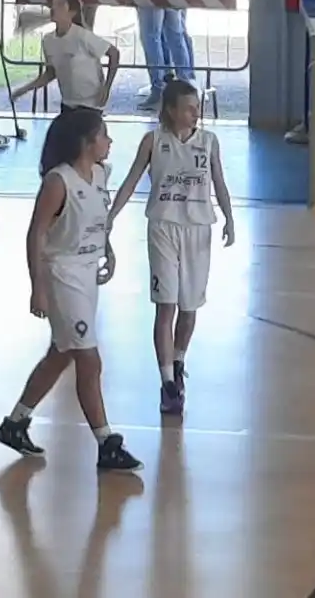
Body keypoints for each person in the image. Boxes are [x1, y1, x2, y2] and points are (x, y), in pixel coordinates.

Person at [0, 108, 140, 473]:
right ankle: (106, 442)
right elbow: (36, 233)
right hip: (61, 274)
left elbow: (94, 219)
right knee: (89, 360)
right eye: (104, 135)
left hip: (87, 273)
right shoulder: (58, 182)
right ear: (85, 142)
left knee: (61, 353)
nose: (109, 141)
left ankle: (16, 423)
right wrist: (36, 287)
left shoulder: (101, 174)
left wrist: (106, 249)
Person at [106, 80, 236, 416]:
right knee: (166, 306)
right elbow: (132, 179)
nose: (196, 113)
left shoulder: (209, 142)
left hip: (198, 229)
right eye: (190, 107)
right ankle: (166, 383)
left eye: (198, 107)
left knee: (189, 308)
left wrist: (229, 218)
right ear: (172, 111)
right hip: (163, 226)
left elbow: (219, 182)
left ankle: (178, 361)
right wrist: (111, 217)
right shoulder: (153, 141)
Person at [10, 0, 121, 114]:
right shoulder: (48, 40)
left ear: (72, 13)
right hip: (68, 102)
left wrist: (106, 87)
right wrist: (24, 89)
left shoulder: (82, 36)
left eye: (60, 5)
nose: (54, 8)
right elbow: (51, 73)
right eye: (53, 4)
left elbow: (113, 53)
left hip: (91, 103)